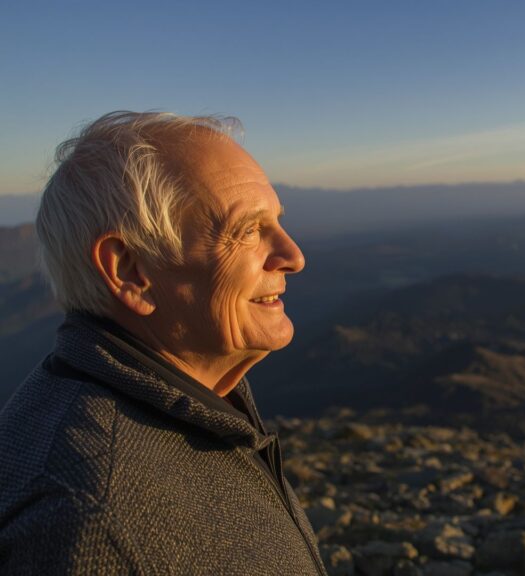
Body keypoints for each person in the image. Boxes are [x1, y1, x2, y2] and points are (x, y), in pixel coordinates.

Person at [0, 112, 326, 574]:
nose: (294, 256)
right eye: (247, 230)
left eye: (276, 222)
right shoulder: (90, 519)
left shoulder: (196, 404)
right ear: (131, 272)